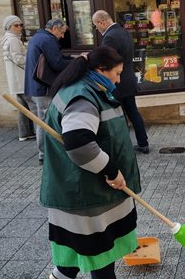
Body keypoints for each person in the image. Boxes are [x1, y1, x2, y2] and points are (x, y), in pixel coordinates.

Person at [43, 46, 141, 279]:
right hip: (87, 196)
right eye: (116, 74)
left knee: (82, 250)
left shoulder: (89, 90)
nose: (118, 81)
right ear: (100, 69)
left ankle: (59, 276)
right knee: (100, 258)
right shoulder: (82, 97)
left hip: (89, 192)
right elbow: (79, 144)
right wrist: (111, 171)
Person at [92, 10, 150, 154]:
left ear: (101, 22)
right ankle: (143, 143)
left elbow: (106, 60)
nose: (97, 30)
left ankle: (123, 147)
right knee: (133, 112)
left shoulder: (110, 37)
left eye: (96, 26)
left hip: (116, 82)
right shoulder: (124, 32)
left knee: (118, 116)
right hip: (129, 80)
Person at [25, 18, 72, 164]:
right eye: (62, 33)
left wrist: (71, 57)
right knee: (46, 122)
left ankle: (43, 153)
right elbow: (57, 63)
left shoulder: (38, 37)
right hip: (43, 87)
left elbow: (56, 58)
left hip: (34, 87)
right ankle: (45, 154)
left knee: (41, 120)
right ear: (55, 29)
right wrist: (77, 62)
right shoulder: (48, 40)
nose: (62, 37)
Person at [0, 15, 36, 141]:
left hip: (16, 81)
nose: (19, 27)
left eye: (21, 25)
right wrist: (32, 61)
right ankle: (40, 132)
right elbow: (18, 59)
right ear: (9, 27)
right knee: (34, 107)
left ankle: (25, 133)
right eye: (16, 25)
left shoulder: (7, 39)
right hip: (21, 79)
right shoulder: (13, 40)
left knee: (23, 109)